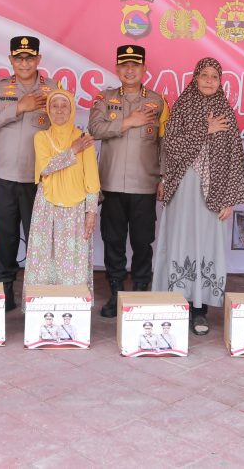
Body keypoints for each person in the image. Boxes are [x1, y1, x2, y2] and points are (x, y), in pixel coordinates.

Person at [152, 58, 244, 336]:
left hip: (213, 193)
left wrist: (229, 199)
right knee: (180, 240)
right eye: (204, 75)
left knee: (205, 245)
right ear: (195, 77)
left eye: (214, 76)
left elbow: (234, 157)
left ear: (220, 81)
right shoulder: (182, 106)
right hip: (183, 188)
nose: (208, 80)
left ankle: (199, 310)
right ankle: (175, 303)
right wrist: (205, 130)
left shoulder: (225, 112)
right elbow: (171, 145)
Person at [89, 45, 169, 318]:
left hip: (144, 185)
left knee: (142, 241)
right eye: (124, 65)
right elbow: (95, 129)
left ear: (144, 69)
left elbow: (165, 143)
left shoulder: (158, 101)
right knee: (113, 240)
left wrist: (164, 178)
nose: (130, 70)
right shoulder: (105, 98)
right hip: (111, 184)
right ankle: (115, 292)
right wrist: (128, 121)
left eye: (135, 65)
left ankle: (139, 290)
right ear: (117, 69)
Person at [0, 36, 58, 310]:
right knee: (5, 237)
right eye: (19, 58)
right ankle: (5, 291)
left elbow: (62, 127)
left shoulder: (52, 89)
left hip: (38, 179)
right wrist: (19, 108)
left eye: (30, 58)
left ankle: (37, 295)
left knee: (38, 240)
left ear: (38, 59)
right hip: (4, 176)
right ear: (11, 60)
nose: (24, 63)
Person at [24, 89, 100, 301]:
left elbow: (92, 178)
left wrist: (91, 212)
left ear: (71, 109)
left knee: (72, 260)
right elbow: (45, 168)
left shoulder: (83, 139)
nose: (59, 110)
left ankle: (71, 306)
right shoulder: (41, 137)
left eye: (64, 106)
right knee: (44, 258)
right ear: (48, 110)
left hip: (76, 208)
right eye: (54, 106)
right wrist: (72, 150)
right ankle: (43, 306)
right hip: (47, 206)